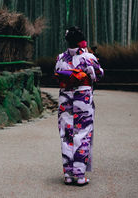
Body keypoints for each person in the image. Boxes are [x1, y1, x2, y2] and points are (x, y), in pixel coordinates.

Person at [55, 26, 104, 186]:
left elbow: (57, 74)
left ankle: (68, 174)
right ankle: (80, 175)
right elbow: (99, 74)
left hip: (65, 98)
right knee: (82, 133)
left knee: (66, 133)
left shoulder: (60, 58)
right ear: (82, 41)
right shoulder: (88, 57)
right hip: (83, 98)